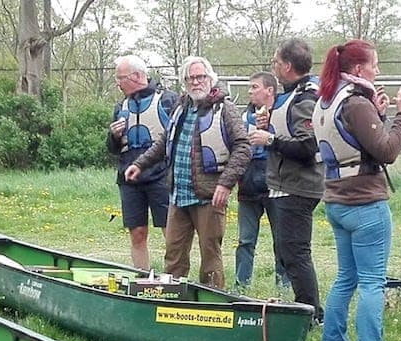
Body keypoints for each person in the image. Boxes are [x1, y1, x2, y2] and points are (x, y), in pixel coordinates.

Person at [312, 40, 401, 341]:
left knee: (346, 278)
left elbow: (353, 142)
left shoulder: (327, 100)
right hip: (365, 203)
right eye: (374, 64)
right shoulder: (355, 102)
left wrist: (377, 114)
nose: (378, 70)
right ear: (358, 69)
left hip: (337, 200)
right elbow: (386, 152)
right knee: (372, 282)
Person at [124, 56, 250, 289]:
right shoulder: (180, 107)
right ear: (184, 82)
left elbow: (243, 146)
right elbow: (164, 142)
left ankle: (212, 307)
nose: (196, 82)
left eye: (200, 77)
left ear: (210, 78)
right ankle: (171, 305)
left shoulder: (225, 109)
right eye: (190, 78)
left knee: (210, 258)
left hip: (209, 197)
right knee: (173, 258)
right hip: (178, 196)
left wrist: (225, 184)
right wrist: (140, 164)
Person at [249, 39, 324, 320]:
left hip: (298, 186)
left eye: (276, 63)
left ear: (288, 66)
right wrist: (269, 129)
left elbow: (307, 148)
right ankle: (308, 308)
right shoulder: (292, 95)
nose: (274, 67)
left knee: (295, 253)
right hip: (286, 185)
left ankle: (311, 313)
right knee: (287, 252)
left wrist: (269, 139)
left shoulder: (305, 98)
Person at [107, 55, 178, 270]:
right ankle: (141, 278)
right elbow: (112, 150)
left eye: (121, 78)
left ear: (137, 76)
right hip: (129, 179)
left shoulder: (168, 101)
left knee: (171, 232)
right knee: (137, 233)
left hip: (160, 176)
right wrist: (114, 136)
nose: (118, 83)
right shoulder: (121, 107)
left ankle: (175, 278)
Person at [234, 71, 287, 291]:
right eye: (250, 87)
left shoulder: (283, 115)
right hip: (248, 188)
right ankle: (240, 287)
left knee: (282, 241)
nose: (250, 91)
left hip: (276, 186)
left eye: (254, 87)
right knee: (245, 241)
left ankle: (284, 288)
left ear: (270, 90)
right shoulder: (242, 118)